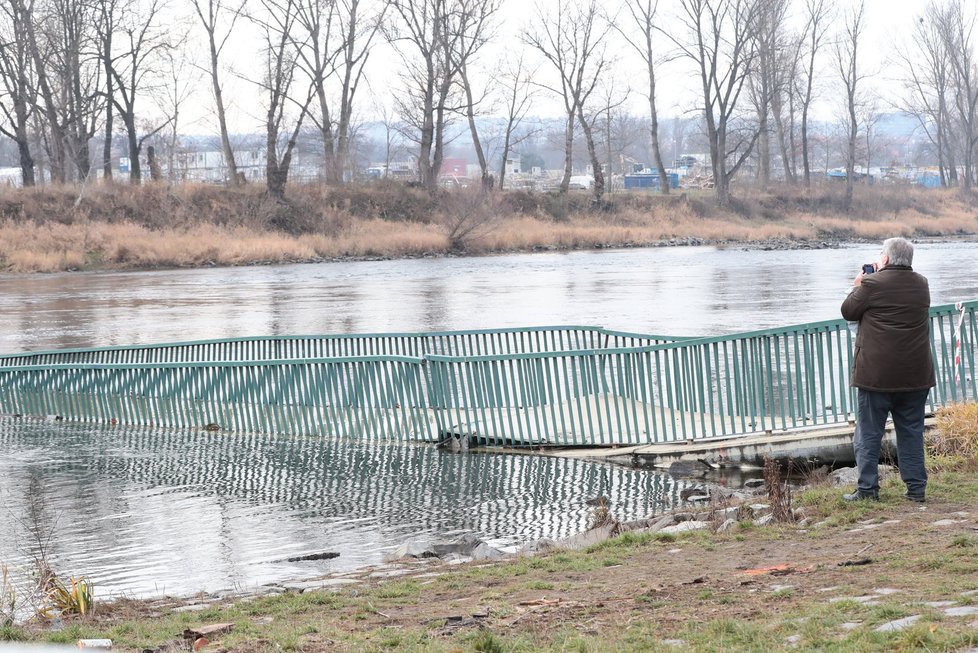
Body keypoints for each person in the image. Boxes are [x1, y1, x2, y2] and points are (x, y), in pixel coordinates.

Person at [840, 237, 936, 502]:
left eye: (881, 254)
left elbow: (848, 311)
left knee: (869, 434)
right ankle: (916, 490)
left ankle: (868, 490)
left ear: (885, 259)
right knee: (911, 433)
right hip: (916, 376)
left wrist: (858, 283)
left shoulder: (871, 284)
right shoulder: (922, 284)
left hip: (876, 377)